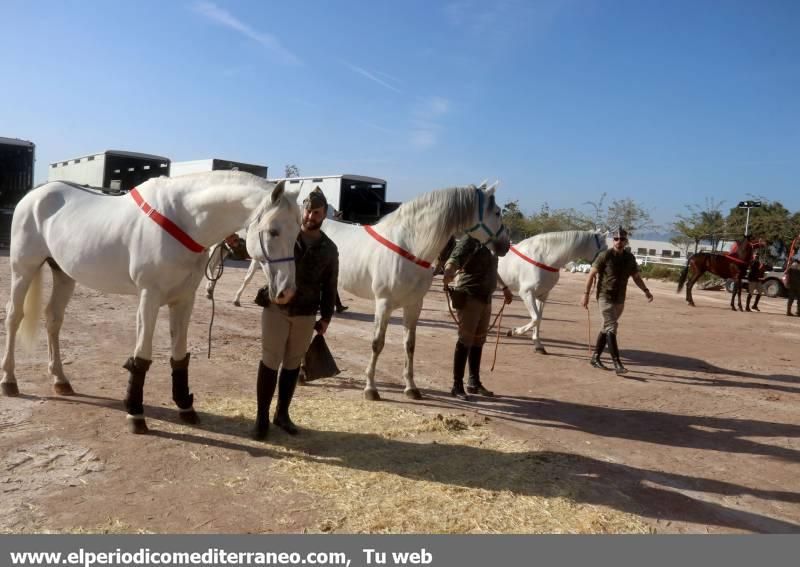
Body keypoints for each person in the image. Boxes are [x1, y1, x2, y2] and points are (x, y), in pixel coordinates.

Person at [253, 187, 339, 439]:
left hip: (305, 311)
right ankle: (261, 418)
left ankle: (282, 414)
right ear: (303, 210)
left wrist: (326, 317)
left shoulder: (329, 248)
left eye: (317, 213)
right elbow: (259, 249)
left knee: (292, 364)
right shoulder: (286, 234)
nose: (311, 216)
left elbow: (330, 284)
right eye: (309, 210)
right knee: (270, 359)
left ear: (324, 215)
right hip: (275, 306)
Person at [443, 235, 513, 401]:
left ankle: (473, 382)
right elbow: (454, 259)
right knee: (465, 339)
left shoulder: (492, 244)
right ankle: (457, 385)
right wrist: (449, 272)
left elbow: (492, 269)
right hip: (469, 296)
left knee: (478, 340)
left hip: (486, 297)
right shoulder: (470, 240)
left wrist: (504, 287)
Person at [582, 227, 653, 375]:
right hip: (604, 296)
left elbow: (636, 277)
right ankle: (617, 364)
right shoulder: (604, 255)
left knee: (606, 328)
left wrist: (646, 291)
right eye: (616, 239)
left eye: (622, 239)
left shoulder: (629, 258)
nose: (619, 241)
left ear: (626, 241)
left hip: (620, 298)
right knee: (612, 327)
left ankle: (595, 358)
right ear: (612, 240)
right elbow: (591, 275)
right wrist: (586, 294)